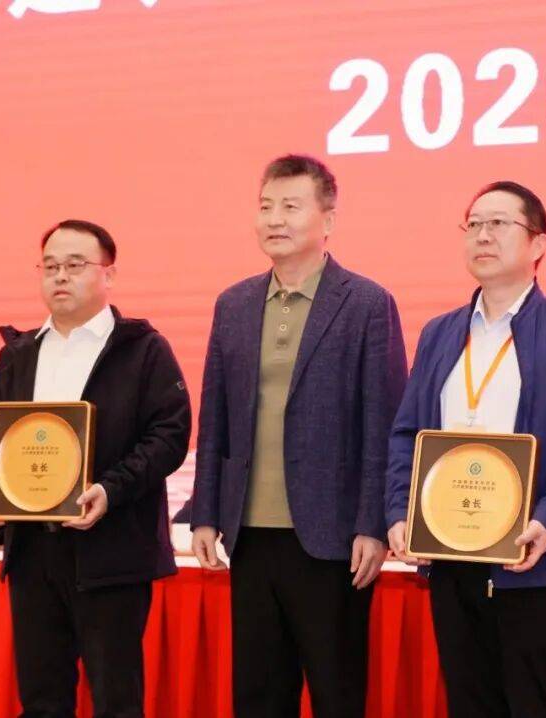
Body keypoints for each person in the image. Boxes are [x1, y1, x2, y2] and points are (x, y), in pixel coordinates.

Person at [385, 180, 546, 718]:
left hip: (531, 558)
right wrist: (400, 512)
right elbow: (405, 434)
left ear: (538, 243)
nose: (482, 236)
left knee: (535, 704)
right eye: (473, 225)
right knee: (469, 702)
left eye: (498, 224)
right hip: (450, 558)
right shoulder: (440, 333)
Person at [189, 154, 407, 718]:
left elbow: (384, 423)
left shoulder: (366, 303)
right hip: (249, 534)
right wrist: (206, 512)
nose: (274, 219)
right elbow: (215, 418)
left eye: (290, 206)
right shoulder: (233, 304)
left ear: (327, 220)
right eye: (266, 207)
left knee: (337, 695)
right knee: (259, 697)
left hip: (333, 539)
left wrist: (373, 523)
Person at [0, 219, 191, 718]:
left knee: (116, 700)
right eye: (50, 267)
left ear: (108, 274)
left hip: (112, 550)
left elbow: (169, 436)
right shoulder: (19, 352)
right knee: (42, 699)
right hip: (32, 552)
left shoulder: (143, 349)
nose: (60, 276)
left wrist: (110, 490)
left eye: (74, 265)